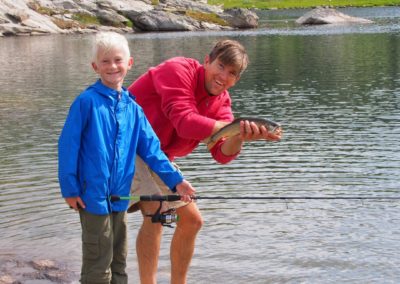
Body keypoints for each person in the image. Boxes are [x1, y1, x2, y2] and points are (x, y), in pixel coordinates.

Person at [127, 39, 282, 284]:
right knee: (156, 213)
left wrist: (239, 136)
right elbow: (184, 122)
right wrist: (231, 127)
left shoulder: (222, 103)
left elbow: (221, 153)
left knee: (192, 221)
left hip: (159, 158)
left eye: (231, 73)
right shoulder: (177, 70)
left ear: (236, 80)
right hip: (125, 144)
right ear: (207, 61)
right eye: (220, 66)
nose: (223, 76)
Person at [58, 31, 195, 284]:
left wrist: (176, 181)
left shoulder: (133, 108)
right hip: (92, 197)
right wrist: (70, 188)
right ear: (95, 66)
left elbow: (152, 150)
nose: (112, 66)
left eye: (118, 60)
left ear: (129, 63)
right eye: (106, 61)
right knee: (98, 264)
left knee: (119, 262)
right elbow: (68, 147)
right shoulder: (86, 102)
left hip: (120, 197)